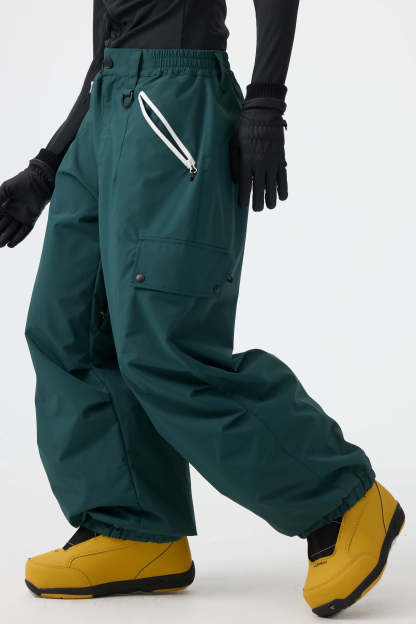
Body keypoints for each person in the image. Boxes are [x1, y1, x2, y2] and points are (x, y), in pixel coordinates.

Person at [0, 0, 404, 616]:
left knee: (165, 348)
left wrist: (266, 100)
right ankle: (135, 526)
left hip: (175, 102)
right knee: (67, 327)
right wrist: (47, 166)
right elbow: (108, 45)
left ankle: (343, 500)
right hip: (105, 103)